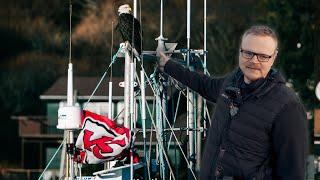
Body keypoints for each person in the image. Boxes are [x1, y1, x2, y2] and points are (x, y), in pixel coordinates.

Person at [158, 25, 308, 180]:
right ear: (240, 51)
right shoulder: (232, 82)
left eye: (263, 56)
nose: (254, 61)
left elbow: (292, 173)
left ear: (274, 57)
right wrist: (168, 65)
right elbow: (203, 84)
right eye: (248, 53)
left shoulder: (288, 107)